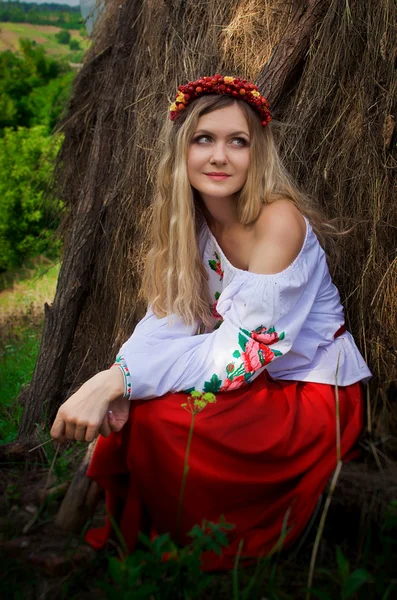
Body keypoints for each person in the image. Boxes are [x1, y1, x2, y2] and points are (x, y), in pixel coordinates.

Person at [50, 75, 371, 570]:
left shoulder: (278, 221)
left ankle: (204, 547)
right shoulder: (194, 221)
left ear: (256, 153)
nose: (219, 156)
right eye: (204, 139)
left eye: (236, 141)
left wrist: (120, 380)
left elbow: (241, 355)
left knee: (160, 416)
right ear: (182, 150)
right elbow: (173, 316)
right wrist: (119, 376)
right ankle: (150, 540)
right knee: (145, 407)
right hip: (259, 383)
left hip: (310, 392)